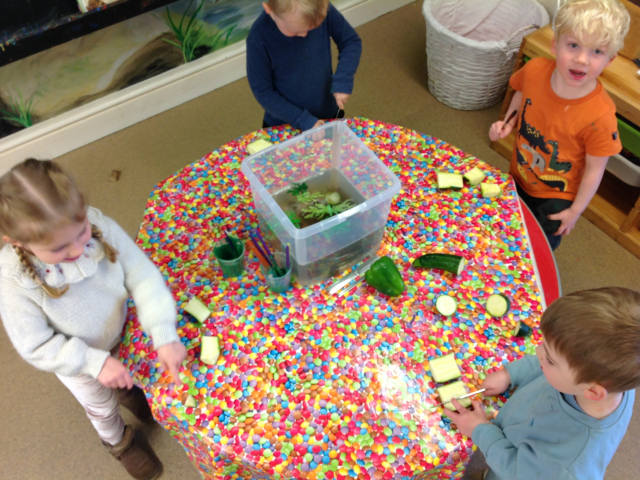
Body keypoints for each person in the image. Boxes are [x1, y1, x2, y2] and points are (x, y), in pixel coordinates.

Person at [0, 159, 187, 480]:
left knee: (131, 376)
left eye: (82, 231)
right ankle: (121, 444)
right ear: (16, 241)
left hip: (121, 329)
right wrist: (93, 363)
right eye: (60, 248)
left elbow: (142, 275)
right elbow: (35, 346)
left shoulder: (97, 225)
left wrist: (163, 333)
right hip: (78, 359)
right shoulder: (14, 280)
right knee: (101, 407)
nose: (80, 248)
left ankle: (129, 392)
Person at [446, 287, 640, 480]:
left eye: (550, 359)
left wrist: (479, 431)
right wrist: (510, 374)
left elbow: (516, 472)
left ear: (593, 391)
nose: (538, 352)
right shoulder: (609, 379)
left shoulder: (566, 467)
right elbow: (549, 364)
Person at [489, 0, 630, 250]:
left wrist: (575, 211)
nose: (582, 59)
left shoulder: (601, 115)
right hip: (519, 172)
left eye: (597, 51)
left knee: (538, 246)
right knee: (509, 224)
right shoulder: (534, 69)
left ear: (610, 60)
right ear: (555, 45)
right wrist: (508, 123)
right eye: (573, 45)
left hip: (555, 198)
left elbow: (595, 171)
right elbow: (522, 93)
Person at [246, 0, 362, 132]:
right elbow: (263, 92)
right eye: (294, 30)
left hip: (328, 113)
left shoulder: (320, 7)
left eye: (313, 27)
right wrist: (302, 119)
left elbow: (350, 42)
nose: (304, 35)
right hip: (285, 124)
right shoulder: (258, 38)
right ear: (269, 9)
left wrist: (343, 78)